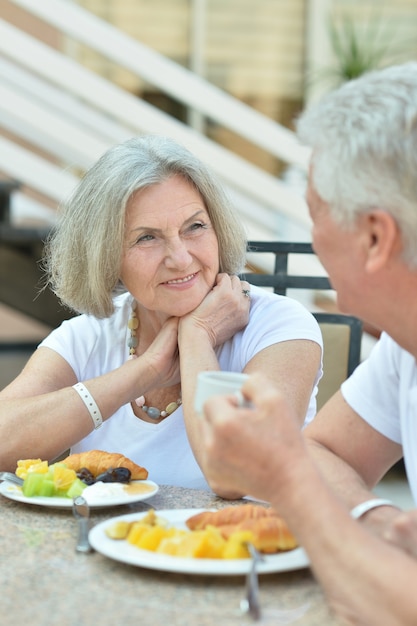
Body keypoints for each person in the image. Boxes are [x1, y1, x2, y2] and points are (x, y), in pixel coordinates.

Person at [198, 62, 417, 625]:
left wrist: (287, 482)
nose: (313, 237)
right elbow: (325, 450)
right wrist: (370, 518)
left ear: (374, 237)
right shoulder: (405, 345)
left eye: (315, 213)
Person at [0, 135, 322, 494]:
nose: (181, 258)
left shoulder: (280, 327)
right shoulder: (86, 336)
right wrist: (143, 372)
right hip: (100, 547)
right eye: (147, 238)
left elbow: (236, 476)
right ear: (106, 257)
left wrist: (197, 336)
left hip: (240, 547)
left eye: (195, 226)